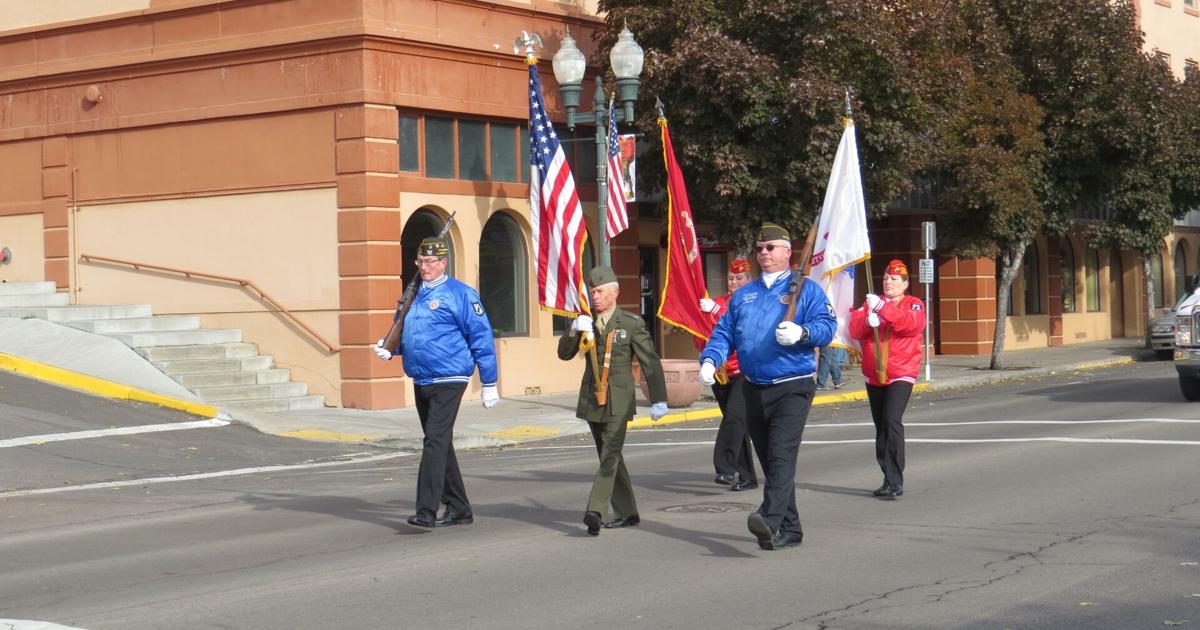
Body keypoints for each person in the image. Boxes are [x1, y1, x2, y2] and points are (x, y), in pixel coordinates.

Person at [699, 223, 835, 551]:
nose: (764, 253)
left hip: (792, 384)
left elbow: (827, 326)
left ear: (788, 252)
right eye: (760, 248)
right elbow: (724, 332)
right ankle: (791, 528)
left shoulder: (806, 289)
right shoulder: (745, 294)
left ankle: (769, 517)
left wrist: (802, 333)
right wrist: (711, 358)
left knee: (781, 454)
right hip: (753, 383)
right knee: (768, 458)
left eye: (771, 247)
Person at [374, 236, 500, 529]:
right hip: (422, 377)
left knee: (433, 441)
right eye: (420, 261)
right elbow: (410, 333)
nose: (424, 266)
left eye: (430, 262)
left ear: (444, 263)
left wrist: (489, 381)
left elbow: (481, 337)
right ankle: (459, 507)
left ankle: (426, 510)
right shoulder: (413, 294)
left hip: (450, 376)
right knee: (440, 442)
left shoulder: (460, 294)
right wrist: (390, 347)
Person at [558, 266, 669, 536]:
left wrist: (658, 398)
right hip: (592, 399)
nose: (595, 296)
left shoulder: (630, 324)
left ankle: (595, 510)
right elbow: (563, 354)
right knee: (610, 453)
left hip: (618, 399)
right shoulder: (585, 323)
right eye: (592, 292)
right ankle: (628, 511)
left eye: (600, 291)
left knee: (609, 455)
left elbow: (649, 362)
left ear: (615, 292)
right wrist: (573, 330)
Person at [848, 259, 926, 500]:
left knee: (892, 421)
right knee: (881, 427)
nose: (888, 282)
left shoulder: (913, 304)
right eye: (885, 278)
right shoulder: (870, 304)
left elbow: (910, 325)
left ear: (905, 284)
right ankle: (887, 476)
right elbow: (853, 330)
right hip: (874, 374)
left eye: (894, 279)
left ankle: (895, 480)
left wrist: (882, 309)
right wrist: (865, 319)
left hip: (900, 373)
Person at [698, 258, 758, 491]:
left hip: (745, 370)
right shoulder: (718, 302)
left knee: (734, 417)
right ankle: (747, 477)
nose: (733, 282)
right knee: (737, 425)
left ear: (748, 280)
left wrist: (716, 311)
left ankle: (724, 467)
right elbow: (703, 336)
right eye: (730, 278)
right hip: (721, 372)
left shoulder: (752, 300)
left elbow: (745, 322)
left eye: (739, 278)